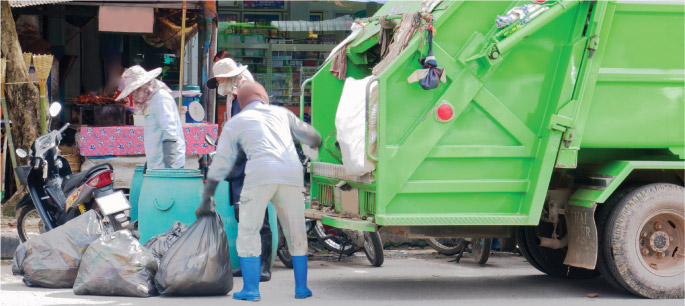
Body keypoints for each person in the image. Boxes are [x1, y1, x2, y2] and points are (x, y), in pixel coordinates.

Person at [196, 82, 321, 301]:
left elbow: (220, 166)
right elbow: (313, 137)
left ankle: (251, 290)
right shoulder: (282, 114)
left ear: (241, 102)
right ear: (264, 97)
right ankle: (301, 288)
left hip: (260, 174)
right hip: (291, 172)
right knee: (296, 230)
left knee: (249, 230)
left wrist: (206, 199)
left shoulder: (237, 122)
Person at [206, 58, 275, 282]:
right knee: (243, 216)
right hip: (241, 166)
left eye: (222, 81)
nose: (221, 86)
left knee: (257, 218)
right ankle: (250, 264)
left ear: (232, 78)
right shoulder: (237, 97)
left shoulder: (248, 96)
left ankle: (263, 267)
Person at [115, 65, 185, 169]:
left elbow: (169, 132)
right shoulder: (151, 100)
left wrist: (170, 166)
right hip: (158, 166)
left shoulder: (161, 98)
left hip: (167, 167)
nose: (134, 94)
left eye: (136, 89)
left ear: (145, 85)